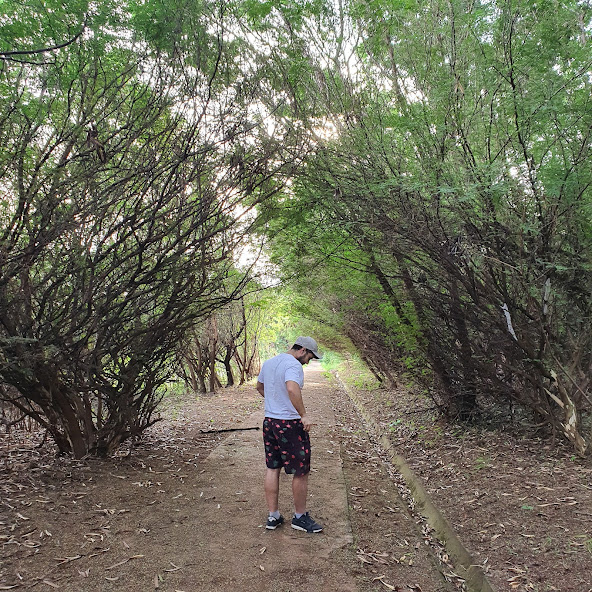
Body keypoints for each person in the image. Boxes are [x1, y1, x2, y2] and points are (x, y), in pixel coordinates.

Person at [256, 336, 324, 533]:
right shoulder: (293, 365)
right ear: (302, 350)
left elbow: (259, 387)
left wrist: (275, 403)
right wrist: (303, 415)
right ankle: (300, 517)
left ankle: (273, 516)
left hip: (270, 422)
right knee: (301, 471)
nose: (309, 361)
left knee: (272, 467)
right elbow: (292, 388)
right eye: (310, 356)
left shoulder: (269, 363)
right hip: (289, 424)